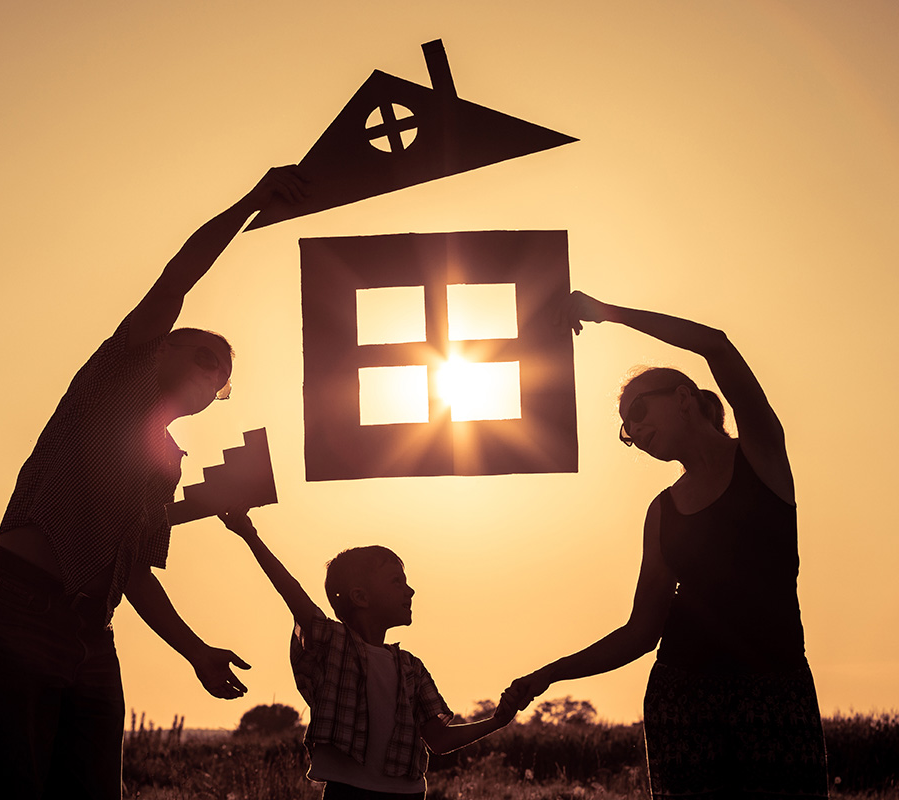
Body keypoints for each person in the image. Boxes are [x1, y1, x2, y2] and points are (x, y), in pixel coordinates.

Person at [0, 166, 309, 800]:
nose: (211, 378)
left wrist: (196, 650)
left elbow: (132, 571)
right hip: (20, 606)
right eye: (204, 357)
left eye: (222, 379)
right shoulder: (108, 385)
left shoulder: (165, 463)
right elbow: (181, 274)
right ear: (159, 349)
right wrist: (253, 202)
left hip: (93, 633)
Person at [507, 291, 830, 799]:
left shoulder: (762, 456)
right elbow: (641, 631)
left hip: (776, 692)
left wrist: (609, 313)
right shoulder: (662, 513)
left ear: (683, 397)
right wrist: (546, 675)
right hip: (682, 698)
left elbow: (718, 347)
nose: (634, 429)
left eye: (638, 409)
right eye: (625, 428)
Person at [219, 507, 518, 800]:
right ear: (360, 597)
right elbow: (291, 590)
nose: (409, 591)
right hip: (348, 793)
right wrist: (249, 534)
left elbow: (439, 740)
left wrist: (497, 721)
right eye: (396, 581)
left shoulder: (411, 667)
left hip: (409, 794)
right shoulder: (332, 643)